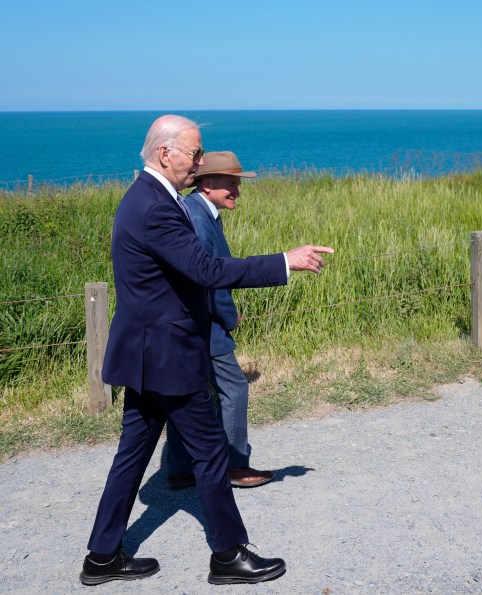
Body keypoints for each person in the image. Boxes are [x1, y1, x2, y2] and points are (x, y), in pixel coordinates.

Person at [80, 115, 333, 586]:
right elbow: (206, 269)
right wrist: (285, 261)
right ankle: (229, 555)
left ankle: (101, 557)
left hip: (144, 356)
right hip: (168, 356)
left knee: (132, 457)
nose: (199, 162)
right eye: (195, 153)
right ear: (165, 154)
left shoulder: (144, 197)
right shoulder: (156, 206)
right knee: (211, 453)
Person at [165, 151, 273, 490]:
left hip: (194, 321)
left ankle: (182, 470)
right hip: (205, 323)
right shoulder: (199, 219)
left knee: (190, 394)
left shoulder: (201, 211)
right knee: (234, 388)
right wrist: (228, 317)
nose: (237, 192)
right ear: (208, 183)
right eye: (231, 185)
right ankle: (234, 467)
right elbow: (209, 280)